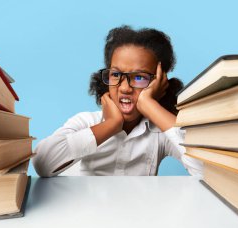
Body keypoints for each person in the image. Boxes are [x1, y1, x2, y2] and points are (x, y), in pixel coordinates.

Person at [32, 26, 203, 177]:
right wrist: (112, 124)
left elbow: (207, 170)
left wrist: (151, 105)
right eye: (115, 74)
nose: (125, 88)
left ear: (159, 83)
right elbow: (42, 163)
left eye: (139, 77)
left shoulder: (159, 133)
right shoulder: (86, 121)